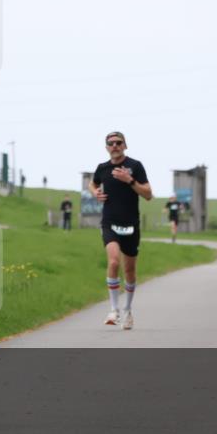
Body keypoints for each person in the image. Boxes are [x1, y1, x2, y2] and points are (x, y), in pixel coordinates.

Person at [89, 131, 153, 330]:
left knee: (129, 270)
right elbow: (93, 183)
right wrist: (95, 193)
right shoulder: (102, 168)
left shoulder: (135, 166)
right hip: (109, 222)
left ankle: (127, 310)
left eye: (119, 142)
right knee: (114, 260)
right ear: (106, 147)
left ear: (125, 145)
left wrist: (130, 181)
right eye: (111, 143)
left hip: (131, 224)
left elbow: (149, 194)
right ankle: (113, 310)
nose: (115, 146)